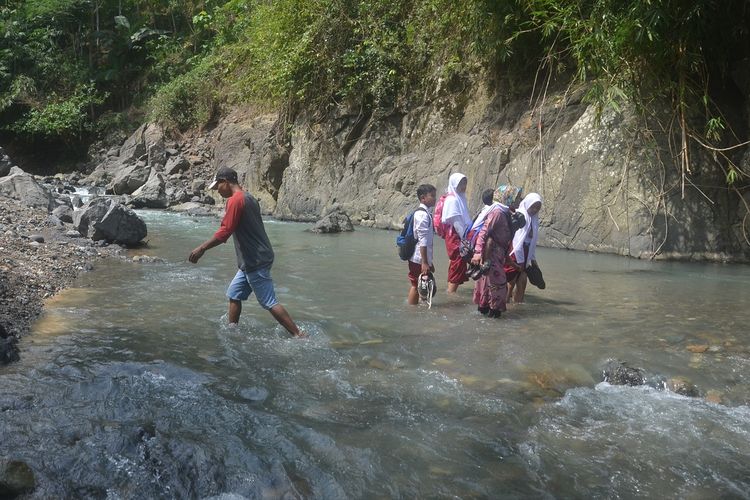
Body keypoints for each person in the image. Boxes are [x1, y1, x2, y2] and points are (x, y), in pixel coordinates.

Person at [188, 166, 305, 337]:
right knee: (234, 294)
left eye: (217, 187)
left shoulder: (235, 201)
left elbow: (224, 232)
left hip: (254, 259)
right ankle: (232, 330)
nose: (217, 191)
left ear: (225, 182)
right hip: (256, 257)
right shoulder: (249, 197)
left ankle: (298, 335)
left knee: (269, 302)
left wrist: (202, 248)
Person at [470, 199, 513, 317]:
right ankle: (494, 313)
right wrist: (478, 252)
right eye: (518, 198)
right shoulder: (497, 213)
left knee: (488, 283)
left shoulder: (506, 213)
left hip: (498, 255)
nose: (519, 201)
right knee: (498, 284)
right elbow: (484, 232)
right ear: (509, 198)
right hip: (491, 254)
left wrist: (507, 257)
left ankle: (485, 313)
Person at [506, 193, 543, 304]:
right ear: (527, 204)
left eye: (538, 207)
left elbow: (531, 242)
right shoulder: (521, 216)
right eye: (533, 206)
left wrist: (532, 259)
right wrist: (520, 263)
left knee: (522, 281)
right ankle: (504, 303)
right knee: (511, 281)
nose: (535, 209)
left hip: (525, 254)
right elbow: (517, 241)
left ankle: (517, 306)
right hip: (515, 252)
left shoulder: (534, 219)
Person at [441, 173, 473, 293]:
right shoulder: (453, 200)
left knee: (456, 263)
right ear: (454, 184)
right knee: (458, 263)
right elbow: (457, 223)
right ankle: (451, 295)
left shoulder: (460, 197)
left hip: (458, 235)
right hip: (456, 236)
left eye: (465, 183)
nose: (464, 186)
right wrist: (466, 239)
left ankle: (450, 290)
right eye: (461, 183)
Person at [407, 184, 437, 305]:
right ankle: (411, 311)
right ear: (423, 198)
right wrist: (425, 262)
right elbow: (423, 241)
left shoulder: (425, 213)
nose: (435, 198)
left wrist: (429, 261)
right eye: (432, 196)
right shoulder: (422, 215)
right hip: (418, 258)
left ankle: (417, 309)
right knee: (416, 284)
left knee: (421, 284)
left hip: (421, 257)